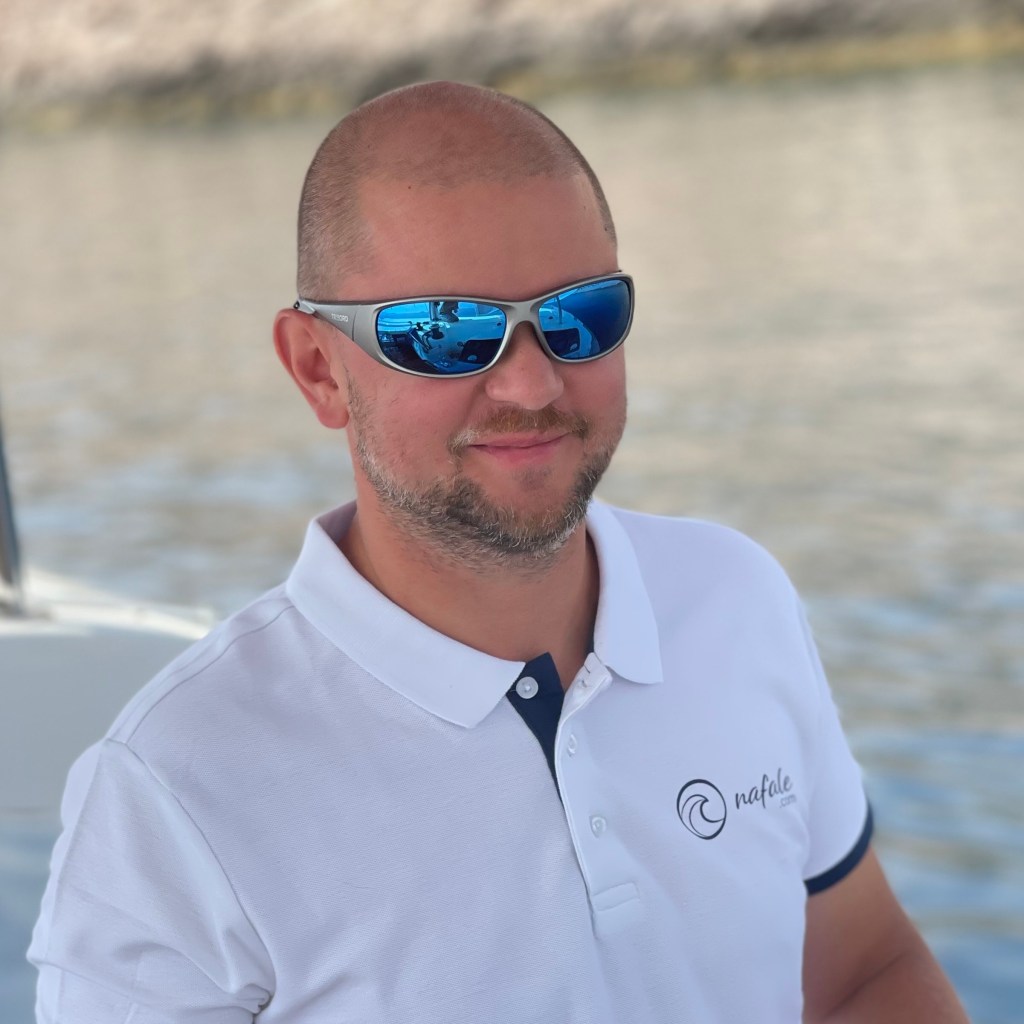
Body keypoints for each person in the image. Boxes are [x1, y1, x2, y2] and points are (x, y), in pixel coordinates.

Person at [29, 81, 968, 1023]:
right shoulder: (172, 792)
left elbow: (861, 972)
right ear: (319, 369)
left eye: (580, 316)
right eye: (446, 332)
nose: (530, 384)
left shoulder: (735, 598)